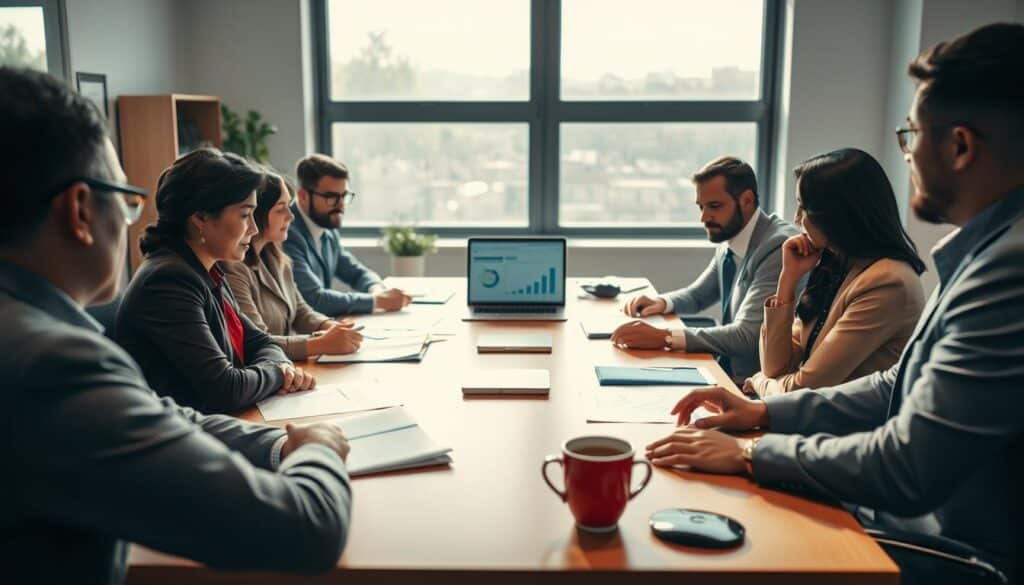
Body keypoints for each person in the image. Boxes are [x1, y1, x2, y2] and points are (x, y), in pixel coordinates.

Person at [645, 23, 1024, 584]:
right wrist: (763, 412)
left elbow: (908, 465)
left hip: (951, 552)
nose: (909, 153)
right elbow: (895, 385)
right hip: (908, 518)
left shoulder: (1005, 269)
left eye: (911, 134)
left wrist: (751, 455)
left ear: (960, 146)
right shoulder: (983, 249)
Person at [0, 66, 352, 584]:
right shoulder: (48, 363)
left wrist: (279, 444)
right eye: (123, 201)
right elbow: (303, 529)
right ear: (79, 209)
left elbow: (162, 413)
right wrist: (320, 447)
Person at [116, 148, 316, 413]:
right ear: (200, 218)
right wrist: (279, 373)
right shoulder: (168, 281)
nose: (254, 229)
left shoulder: (207, 270)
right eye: (245, 215)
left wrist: (274, 368)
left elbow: (261, 342)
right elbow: (226, 389)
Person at [746, 148, 926, 397]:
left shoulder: (887, 282)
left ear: (836, 214)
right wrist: (788, 280)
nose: (797, 219)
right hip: (812, 422)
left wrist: (759, 382)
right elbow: (776, 366)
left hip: (848, 431)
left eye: (803, 208)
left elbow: (802, 390)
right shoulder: (837, 266)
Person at [611, 156, 798, 380]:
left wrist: (666, 337)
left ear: (747, 200)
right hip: (726, 370)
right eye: (701, 206)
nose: (704, 217)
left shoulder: (777, 247)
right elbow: (701, 294)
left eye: (714, 206)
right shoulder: (732, 233)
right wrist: (662, 302)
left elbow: (748, 336)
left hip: (756, 385)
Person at [224, 171, 363, 360]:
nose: (290, 217)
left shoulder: (278, 257)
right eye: (281, 209)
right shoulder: (234, 268)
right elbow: (257, 343)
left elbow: (300, 311)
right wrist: (321, 343)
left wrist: (331, 327)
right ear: (257, 213)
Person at [284, 153, 410, 316]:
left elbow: (356, 273)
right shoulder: (286, 233)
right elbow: (314, 299)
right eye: (331, 197)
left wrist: (377, 289)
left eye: (344, 196)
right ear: (303, 196)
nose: (341, 206)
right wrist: (377, 301)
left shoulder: (326, 226)